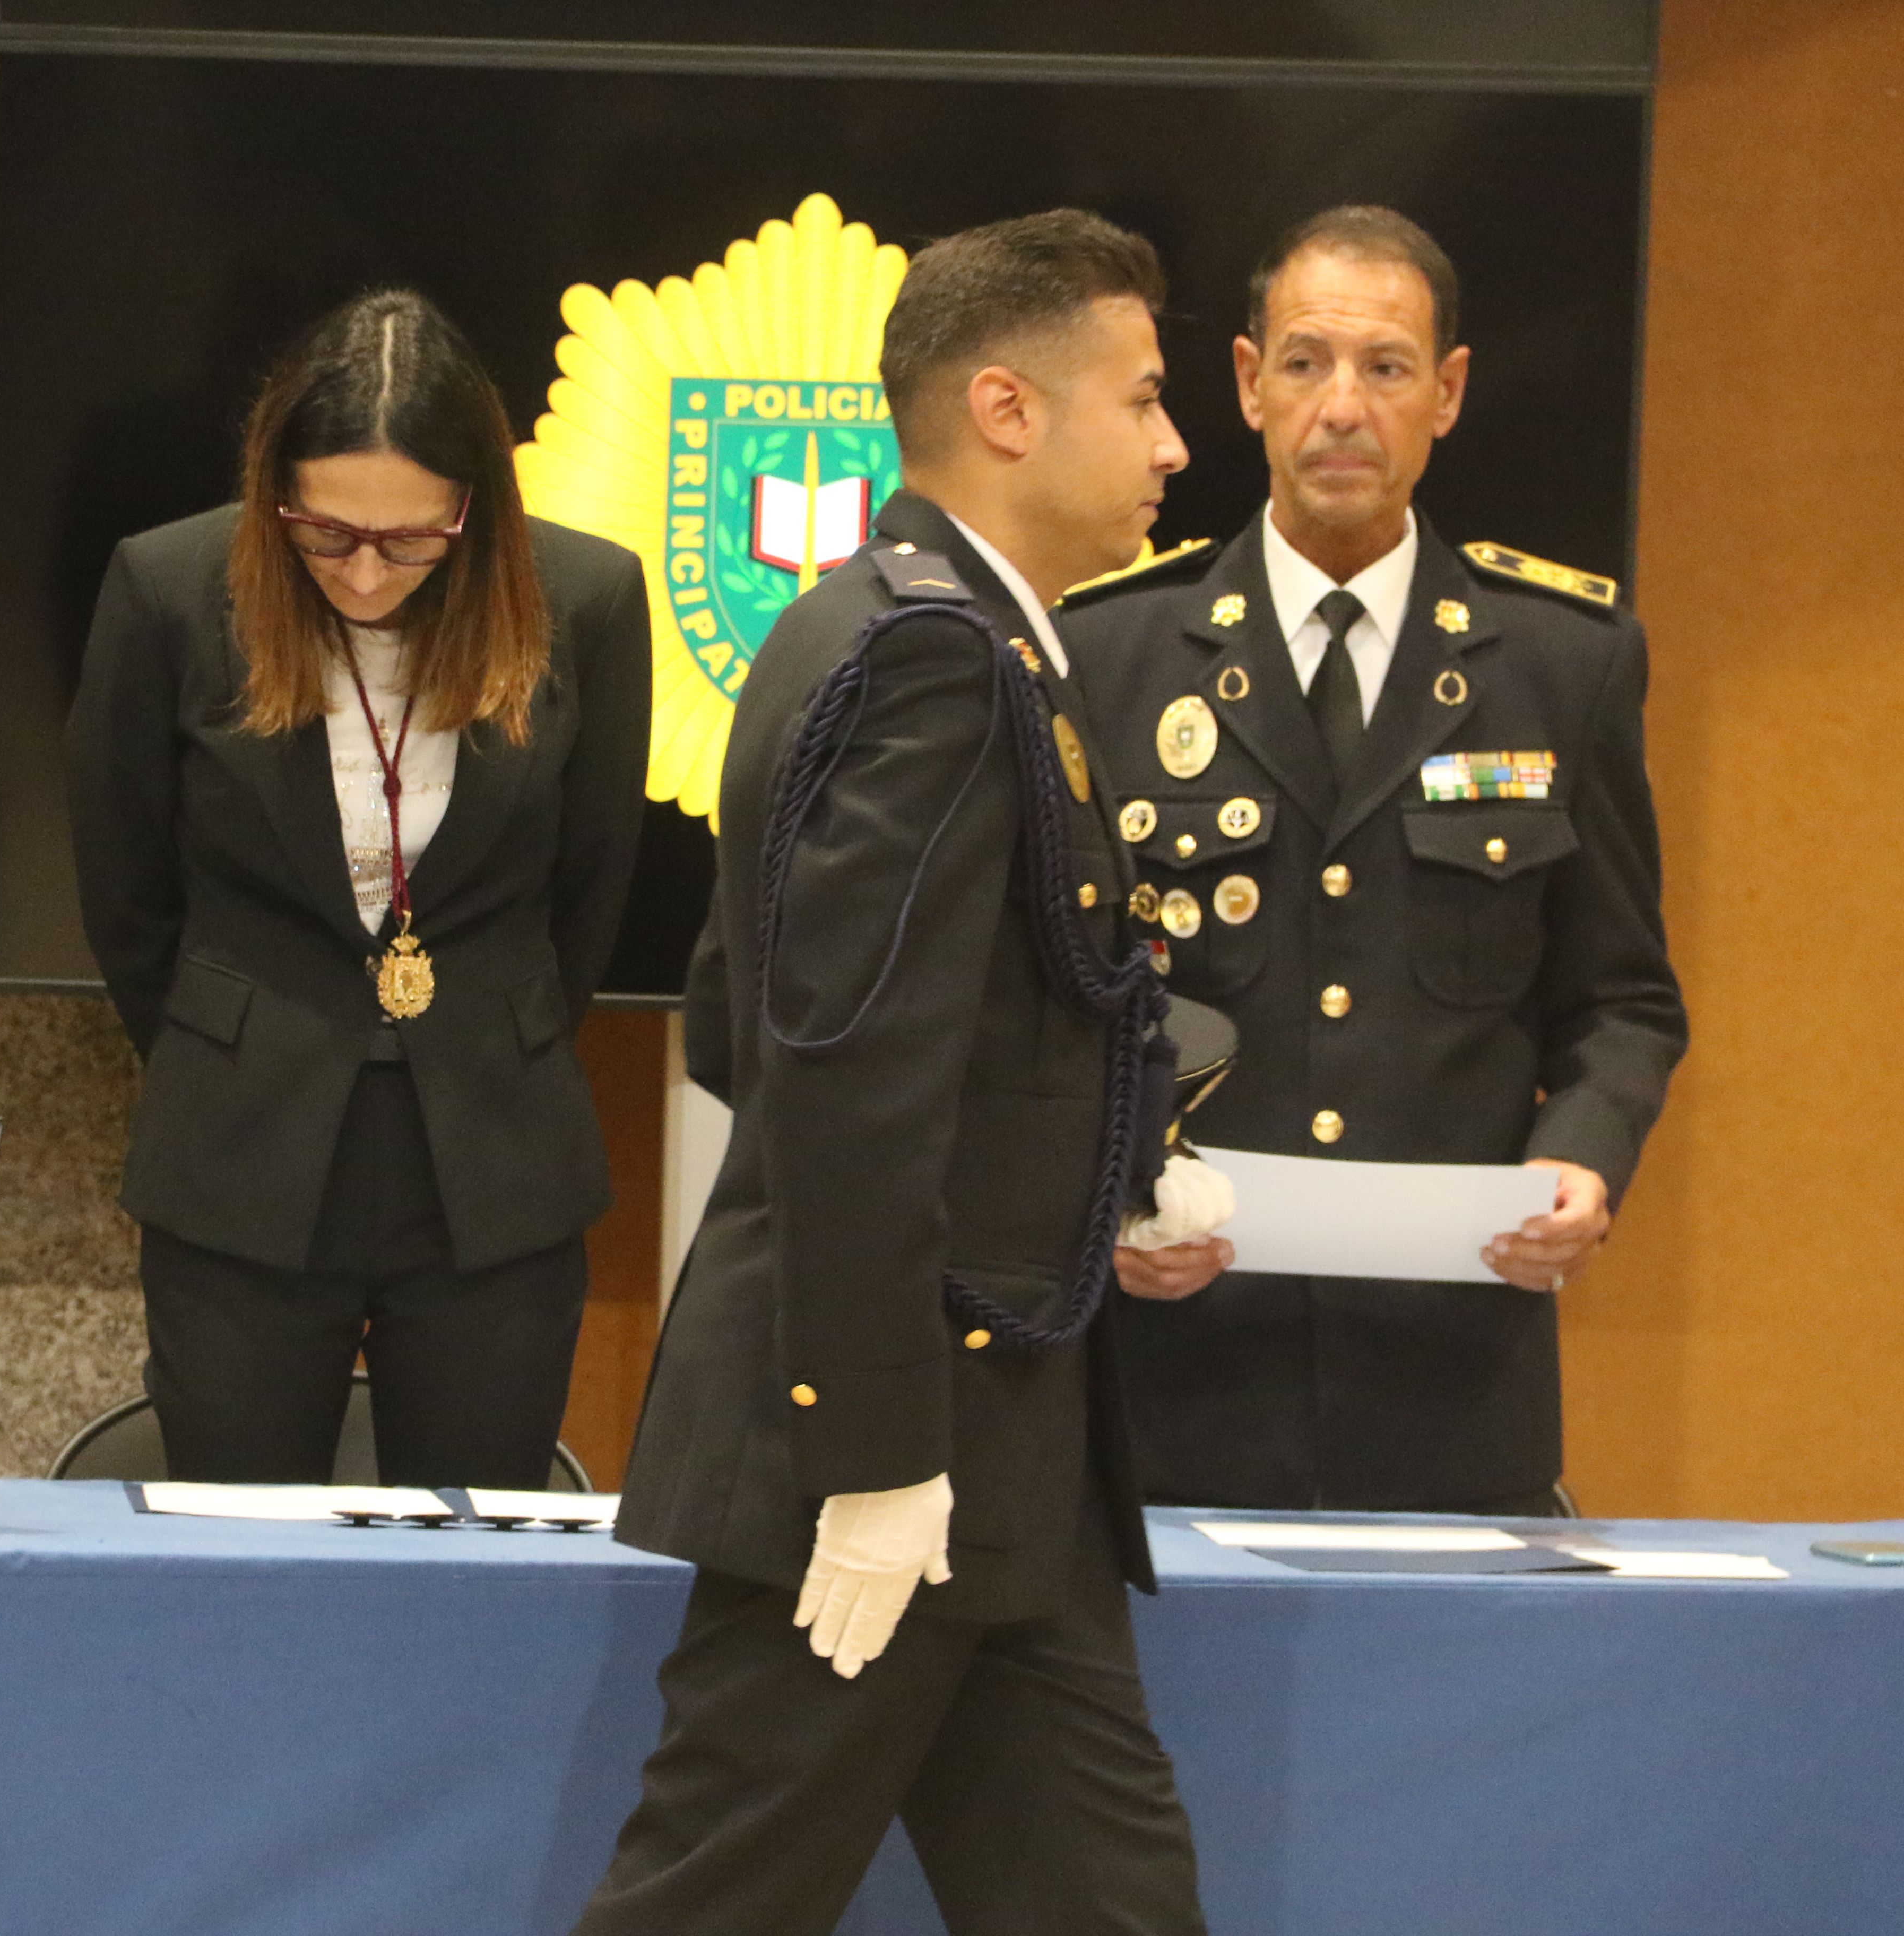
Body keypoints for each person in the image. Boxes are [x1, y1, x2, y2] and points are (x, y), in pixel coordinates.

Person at [577, 211, 1220, 1936]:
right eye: (1147, 397)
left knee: (1113, 1901)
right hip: (887, 1458)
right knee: (706, 1902)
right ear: (1008, 407)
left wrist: (1110, 1186)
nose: (1175, 444)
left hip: (1004, 1442)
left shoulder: (877, 623)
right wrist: (872, 1458)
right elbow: (846, 1078)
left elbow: (744, 1024)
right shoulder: (941, 656)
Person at [1064, 205, 1689, 1515]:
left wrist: (1584, 1155)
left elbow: (1621, 999)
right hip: (1176, 1363)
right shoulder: (1109, 653)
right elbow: (1046, 1000)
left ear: (1447, 394)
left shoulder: (1566, 662)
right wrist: (1103, 1201)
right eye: (1305, 363)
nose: (1342, 406)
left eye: (1387, 367)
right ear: (1247, 384)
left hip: (1451, 1375)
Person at [68, 289, 648, 1490]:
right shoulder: (171, 587)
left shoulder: (586, 597)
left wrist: (502, 1027)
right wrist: (227, 1039)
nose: (370, 574)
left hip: (495, 1154)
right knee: (236, 1552)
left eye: (413, 539)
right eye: (327, 534)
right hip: (244, 1148)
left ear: (474, 510)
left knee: (483, 1550)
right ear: (273, 495)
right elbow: (126, 889)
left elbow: (589, 890)